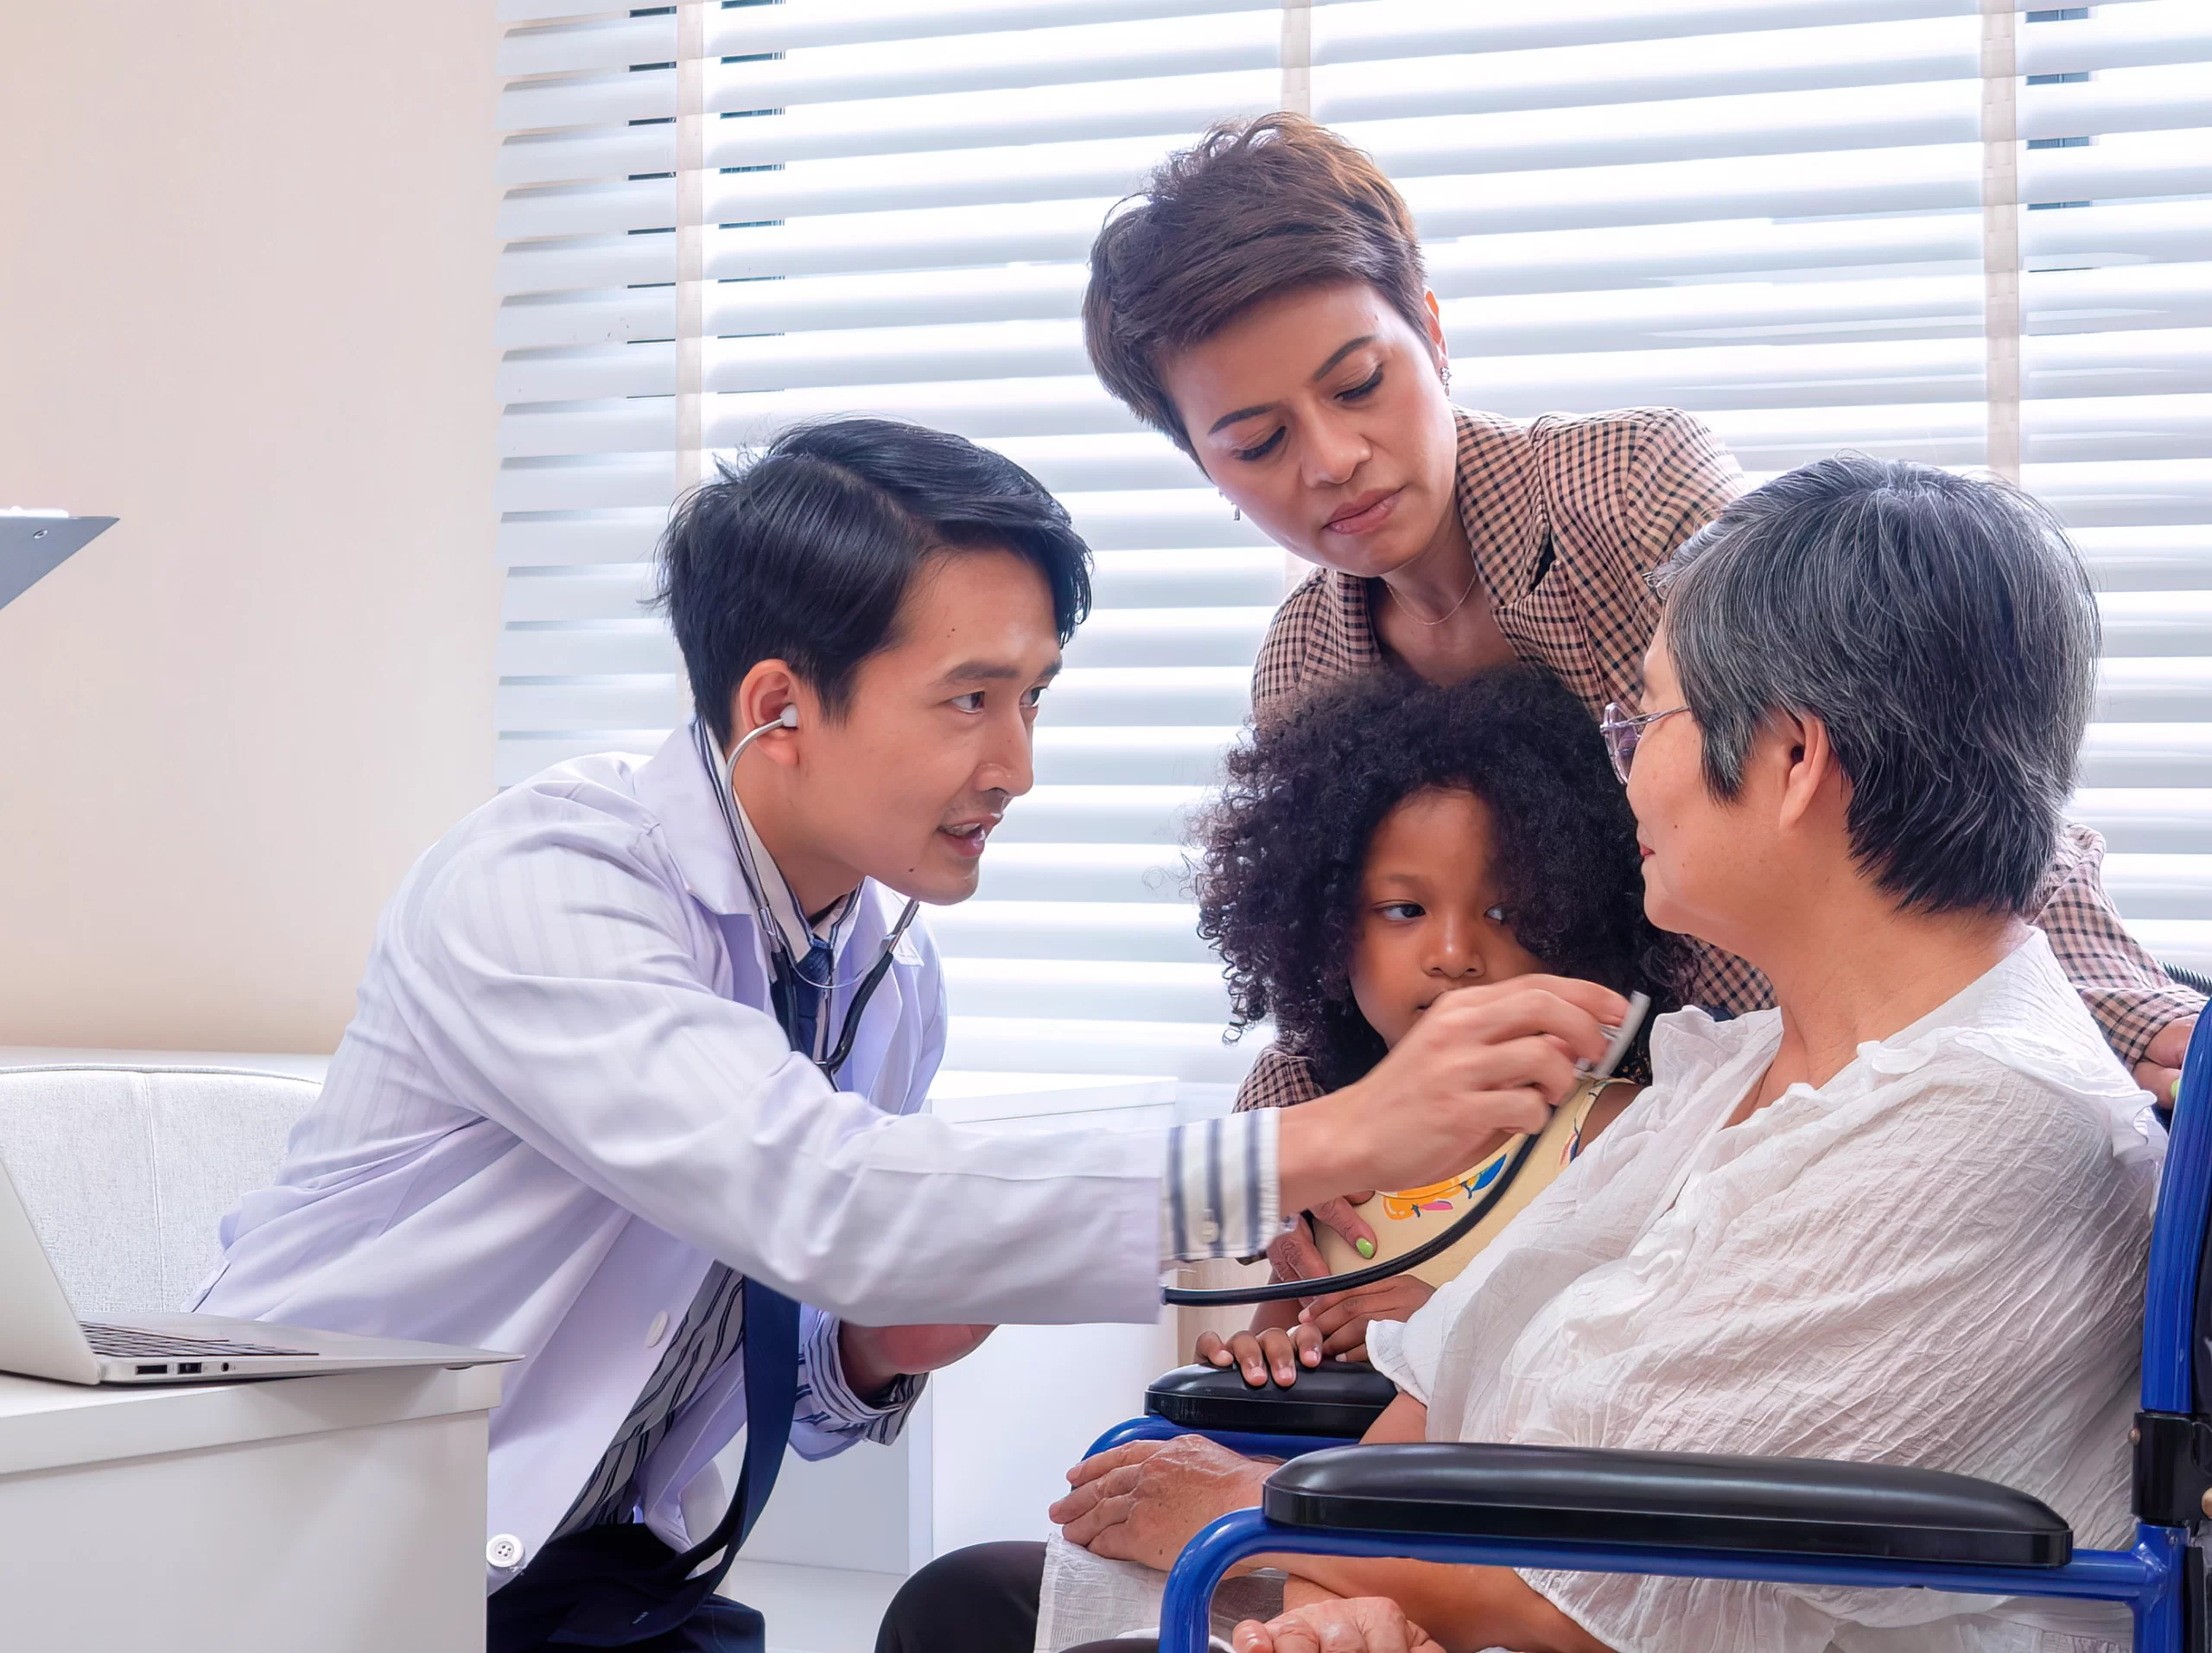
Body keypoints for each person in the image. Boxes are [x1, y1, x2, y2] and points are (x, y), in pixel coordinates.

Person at [193, 417, 1628, 1653]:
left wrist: (882, 1346)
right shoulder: (550, 889)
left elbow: (808, 1370)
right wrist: (1335, 1135)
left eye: (1033, 697)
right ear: (779, 706)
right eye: (970, 700)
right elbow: (824, 1198)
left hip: (592, 1581)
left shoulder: (883, 972)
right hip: (298, 1563)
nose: (1016, 765)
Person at [877, 458, 2163, 1653]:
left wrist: (1272, 1522)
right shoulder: (1735, 1069)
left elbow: (1636, 1581)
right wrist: (1331, 1576)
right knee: (973, 1602)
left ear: (1788, 759)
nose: (1628, 776)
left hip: (1527, 1609)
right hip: (1452, 1581)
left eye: (1645, 721)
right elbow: (1454, 1383)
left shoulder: (1982, 1125)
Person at [1081, 111, 2202, 1113]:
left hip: (1834, 1090)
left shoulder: (1627, 494)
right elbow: (1324, 993)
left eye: (1360, 382)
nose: (1333, 459)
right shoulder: (1307, 668)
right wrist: (1277, 1183)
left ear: (1430, 326)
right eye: (1259, 442)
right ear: (1203, 463)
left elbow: (1933, 755)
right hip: (1578, 1161)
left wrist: (2136, 1014)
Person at [1184, 668, 1694, 1389]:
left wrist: (1444, 1327)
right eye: (1404, 911)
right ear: (1326, 936)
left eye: (1503, 913)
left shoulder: (1610, 1132)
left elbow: (1626, 1364)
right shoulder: (1331, 1168)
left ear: (1571, 922)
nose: (1454, 957)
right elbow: (1281, 1355)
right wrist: (1258, 1358)